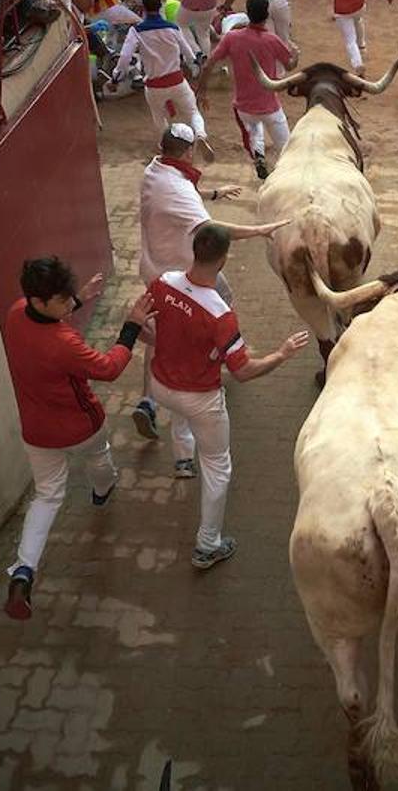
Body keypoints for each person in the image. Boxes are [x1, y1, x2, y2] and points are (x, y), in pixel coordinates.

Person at [146, 224, 311, 569]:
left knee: (180, 412)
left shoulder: (162, 283)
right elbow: (244, 371)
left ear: (195, 250)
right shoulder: (220, 314)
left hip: (160, 386)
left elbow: (141, 325)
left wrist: (168, 344)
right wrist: (281, 354)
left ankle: (182, 458)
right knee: (218, 465)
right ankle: (208, 544)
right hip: (200, 398)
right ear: (223, 260)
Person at [2, 257, 156, 619]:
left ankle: (23, 571)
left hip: (36, 431)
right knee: (101, 460)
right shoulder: (63, 341)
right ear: (41, 302)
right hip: (80, 427)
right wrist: (131, 327)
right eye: (63, 299)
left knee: (47, 496)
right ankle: (102, 494)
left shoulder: (16, 312)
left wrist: (77, 300)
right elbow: (109, 368)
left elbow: (51, 317)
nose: (70, 303)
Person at [132, 123, 288, 441]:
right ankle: (228, 356)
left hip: (154, 266)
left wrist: (215, 193)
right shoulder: (176, 187)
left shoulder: (155, 169)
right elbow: (212, 231)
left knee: (161, 331)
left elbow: (183, 195)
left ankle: (148, 402)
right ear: (188, 151)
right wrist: (260, 230)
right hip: (180, 271)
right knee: (220, 304)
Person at [196, 0, 299, 179]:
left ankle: (259, 155)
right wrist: (296, 54)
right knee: (287, 148)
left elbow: (208, 64)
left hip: (244, 106)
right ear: (266, 15)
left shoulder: (232, 38)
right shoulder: (272, 40)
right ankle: (287, 178)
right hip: (270, 106)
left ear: (248, 14)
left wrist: (202, 90)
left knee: (254, 131)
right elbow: (290, 65)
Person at [112, 0, 208, 150]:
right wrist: (195, 66)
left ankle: (166, 146)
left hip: (154, 86)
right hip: (177, 81)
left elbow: (125, 57)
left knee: (159, 116)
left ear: (143, 7)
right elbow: (189, 54)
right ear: (160, 5)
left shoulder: (137, 31)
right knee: (192, 112)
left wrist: (116, 77)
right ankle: (200, 134)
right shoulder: (173, 28)